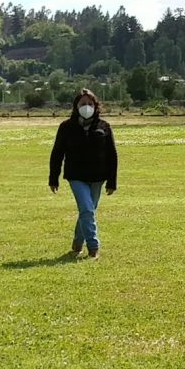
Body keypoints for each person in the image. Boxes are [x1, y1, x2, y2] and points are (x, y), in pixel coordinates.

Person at [49, 89, 118, 259]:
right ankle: (93, 247)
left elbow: (112, 154)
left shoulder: (104, 127)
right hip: (76, 176)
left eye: (90, 104)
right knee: (87, 209)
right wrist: (53, 178)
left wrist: (112, 181)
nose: (86, 107)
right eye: (82, 104)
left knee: (87, 211)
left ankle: (77, 242)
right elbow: (57, 153)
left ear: (95, 106)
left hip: (98, 177)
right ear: (76, 106)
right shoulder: (66, 127)